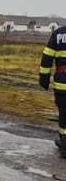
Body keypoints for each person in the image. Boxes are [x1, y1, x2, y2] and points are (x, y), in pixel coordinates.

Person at [39, 24, 66, 157]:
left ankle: (64, 143)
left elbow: (47, 58)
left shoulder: (59, 34)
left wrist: (44, 78)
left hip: (63, 83)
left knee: (64, 113)